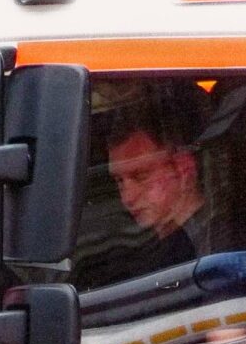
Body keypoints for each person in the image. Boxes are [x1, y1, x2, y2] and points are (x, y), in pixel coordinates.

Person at [89, 85, 225, 285]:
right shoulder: (143, 246)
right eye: (119, 181)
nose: (127, 197)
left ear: (184, 169)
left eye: (141, 175)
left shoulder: (214, 250)